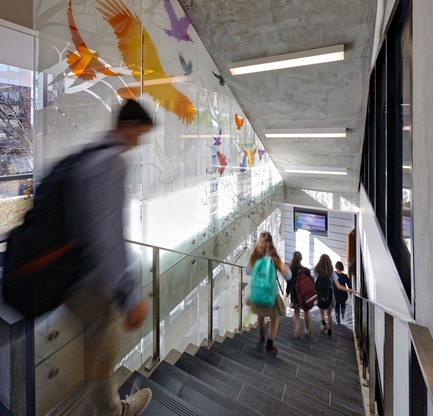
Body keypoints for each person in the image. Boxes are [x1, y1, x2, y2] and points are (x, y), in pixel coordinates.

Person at [64, 99, 155, 415]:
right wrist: (131, 298)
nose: (138, 142)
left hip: (74, 281)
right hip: (96, 285)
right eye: (139, 135)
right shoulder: (111, 163)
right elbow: (108, 236)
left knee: (96, 368)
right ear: (129, 126)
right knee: (101, 366)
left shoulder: (89, 155)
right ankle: (116, 412)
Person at [246, 232, 290, 356]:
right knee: (274, 318)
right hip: (271, 294)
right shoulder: (274, 257)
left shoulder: (254, 256)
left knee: (260, 314)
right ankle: (270, 346)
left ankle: (261, 335)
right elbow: (288, 276)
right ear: (271, 244)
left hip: (257, 293)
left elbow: (248, 271)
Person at [314, 254, 356, 336]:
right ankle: (331, 329)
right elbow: (340, 286)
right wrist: (351, 290)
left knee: (321, 306)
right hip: (333, 294)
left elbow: (313, 280)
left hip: (322, 293)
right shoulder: (331, 272)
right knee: (330, 312)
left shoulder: (317, 270)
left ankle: (325, 323)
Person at [285, 251, 313, 339]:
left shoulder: (291, 270)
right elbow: (311, 282)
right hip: (305, 295)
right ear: (301, 259)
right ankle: (307, 330)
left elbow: (289, 282)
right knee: (306, 311)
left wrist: (287, 292)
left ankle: (297, 329)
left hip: (295, 295)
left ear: (293, 259)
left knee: (296, 313)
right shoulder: (306, 270)